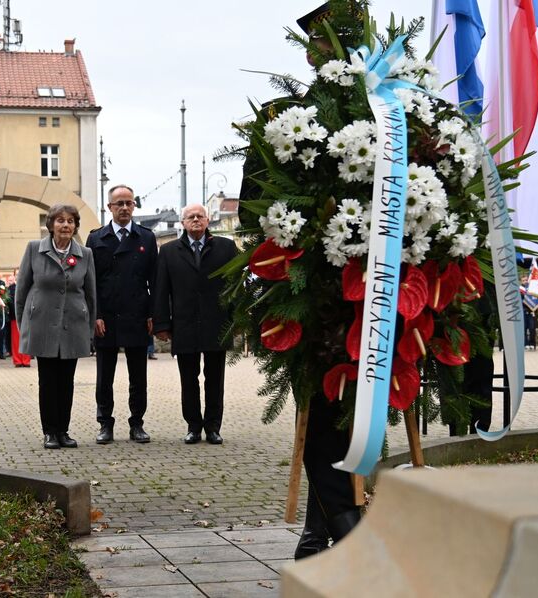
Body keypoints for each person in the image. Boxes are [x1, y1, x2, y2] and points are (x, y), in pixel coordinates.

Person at [236, 3, 364, 558]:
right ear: (310, 51)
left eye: (350, 37)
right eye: (326, 40)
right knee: (323, 404)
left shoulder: (394, 113)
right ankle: (339, 523)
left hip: (379, 285)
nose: (335, 49)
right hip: (309, 287)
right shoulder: (280, 115)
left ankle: (322, 528)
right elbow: (251, 209)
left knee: (368, 405)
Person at [153, 204, 238, 444]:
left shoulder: (226, 247)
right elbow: (161, 290)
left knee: (215, 379)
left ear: (208, 220)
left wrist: (237, 321)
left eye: (200, 216)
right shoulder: (168, 251)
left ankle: (213, 427)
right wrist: (162, 324)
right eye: (191, 217)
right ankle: (193, 426)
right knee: (188, 379)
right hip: (184, 323)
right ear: (183, 223)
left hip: (217, 323)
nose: (196, 220)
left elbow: (235, 285)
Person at [16, 204, 96, 449]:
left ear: (75, 226)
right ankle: (49, 431)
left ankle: (63, 430)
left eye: (70, 221)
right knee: (47, 380)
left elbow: (91, 294)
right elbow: (21, 291)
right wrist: (25, 326)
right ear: (50, 225)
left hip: (73, 325)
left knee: (67, 381)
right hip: (42, 325)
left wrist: (89, 328)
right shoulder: (33, 250)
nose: (65, 225)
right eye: (60, 220)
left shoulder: (85, 254)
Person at [85, 184, 158, 444]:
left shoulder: (146, 238)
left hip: (137, 315)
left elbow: (154, 280)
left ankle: (137, 423)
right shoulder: (96, 238)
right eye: (120, 204)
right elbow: (90, 282)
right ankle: (105, 424)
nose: (125, 208)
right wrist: (96, 316)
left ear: (134, 206)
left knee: (139, 376)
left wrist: (153, 314)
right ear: (109, 208)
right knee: (104, 376)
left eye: (129, 203)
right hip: (107, 317)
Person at [7, 271, 31, 367]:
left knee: (27, 339)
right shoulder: (11, 288)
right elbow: (9, 302)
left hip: (27, 317)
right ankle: (17, 360)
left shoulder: (29, 286)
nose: (19, 275)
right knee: (16, 340)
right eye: (17, 274)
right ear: (14, 276)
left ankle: (26, 360)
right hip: (15, 317)